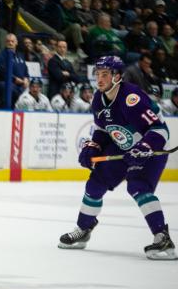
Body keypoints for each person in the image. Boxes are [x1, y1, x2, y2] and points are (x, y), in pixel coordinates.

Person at [59, 56, 175, 260]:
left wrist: (145, 147)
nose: (99, 79)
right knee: (95, 184)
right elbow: (103, 130)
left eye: (105, 74)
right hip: (123, 148)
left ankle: (162, 237)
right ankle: (84, 229)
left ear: (117, 76)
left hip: (150, 149)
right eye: (97, 74)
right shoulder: (98, 98)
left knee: (138, 186)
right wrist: (94, 146)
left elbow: (160, 129)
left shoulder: (132, 98)